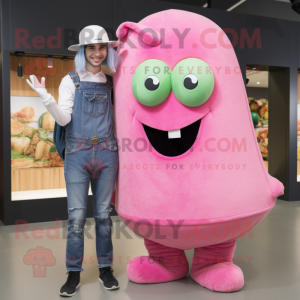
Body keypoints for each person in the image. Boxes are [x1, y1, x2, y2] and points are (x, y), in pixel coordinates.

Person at [26, 25, 123, 297]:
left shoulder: (112, 82)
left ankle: (105, 268)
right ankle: (73, 273)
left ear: (107, 50)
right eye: (91, 47)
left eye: (102, 47)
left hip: (107, 153)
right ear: (83, 51)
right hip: (78, 154)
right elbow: (65, 120)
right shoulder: (71, 80)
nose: (97, 52)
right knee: (76, 216)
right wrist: (46, 98)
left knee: (103, 215)